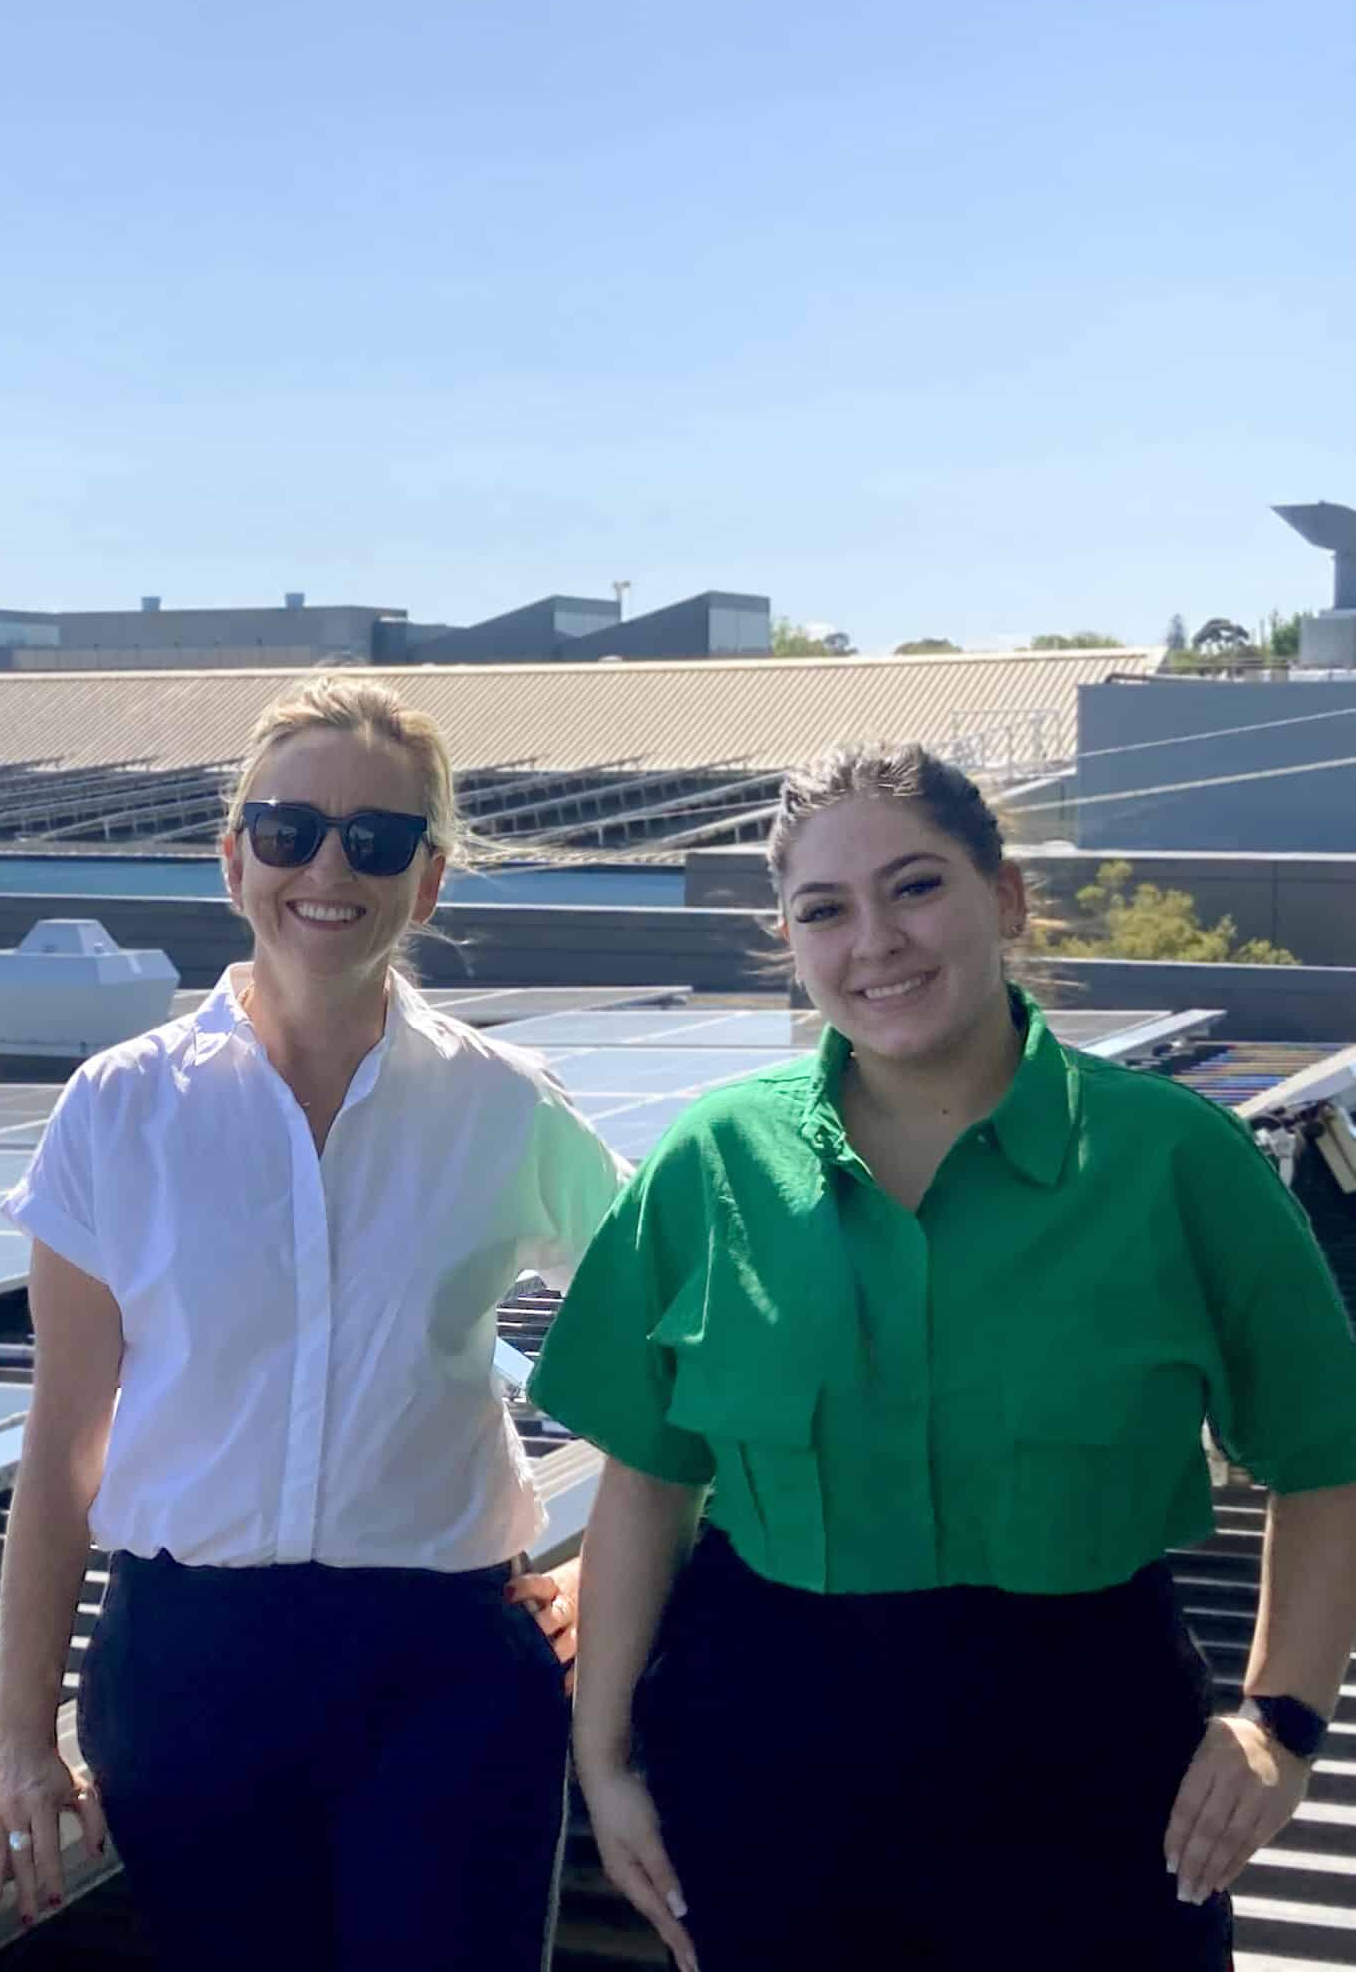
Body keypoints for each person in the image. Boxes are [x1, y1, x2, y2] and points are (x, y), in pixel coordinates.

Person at [529, 742, 1356, 1972]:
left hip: (1092, 1763)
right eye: (824, 908)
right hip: (765, 1763)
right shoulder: (710, 1166)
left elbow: (1323, 1452)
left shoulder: (1172, 1161)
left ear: (1003, 898)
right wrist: (604, 1764)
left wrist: (1277, 1722)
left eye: (914, 885)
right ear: (789, 939)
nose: (874, 940)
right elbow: (648, 1479)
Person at [0, 674, 629, 1970]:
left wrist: (605, 1569)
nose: (330, 866)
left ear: (426, 882)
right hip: (190, 1671)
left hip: (447, 1672)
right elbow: (61, 1445)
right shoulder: (117, 1108)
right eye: (289, 830)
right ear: (233, 859)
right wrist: (19, 1739)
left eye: (377, 841)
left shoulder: (506, 1107)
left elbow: (684, 1348)